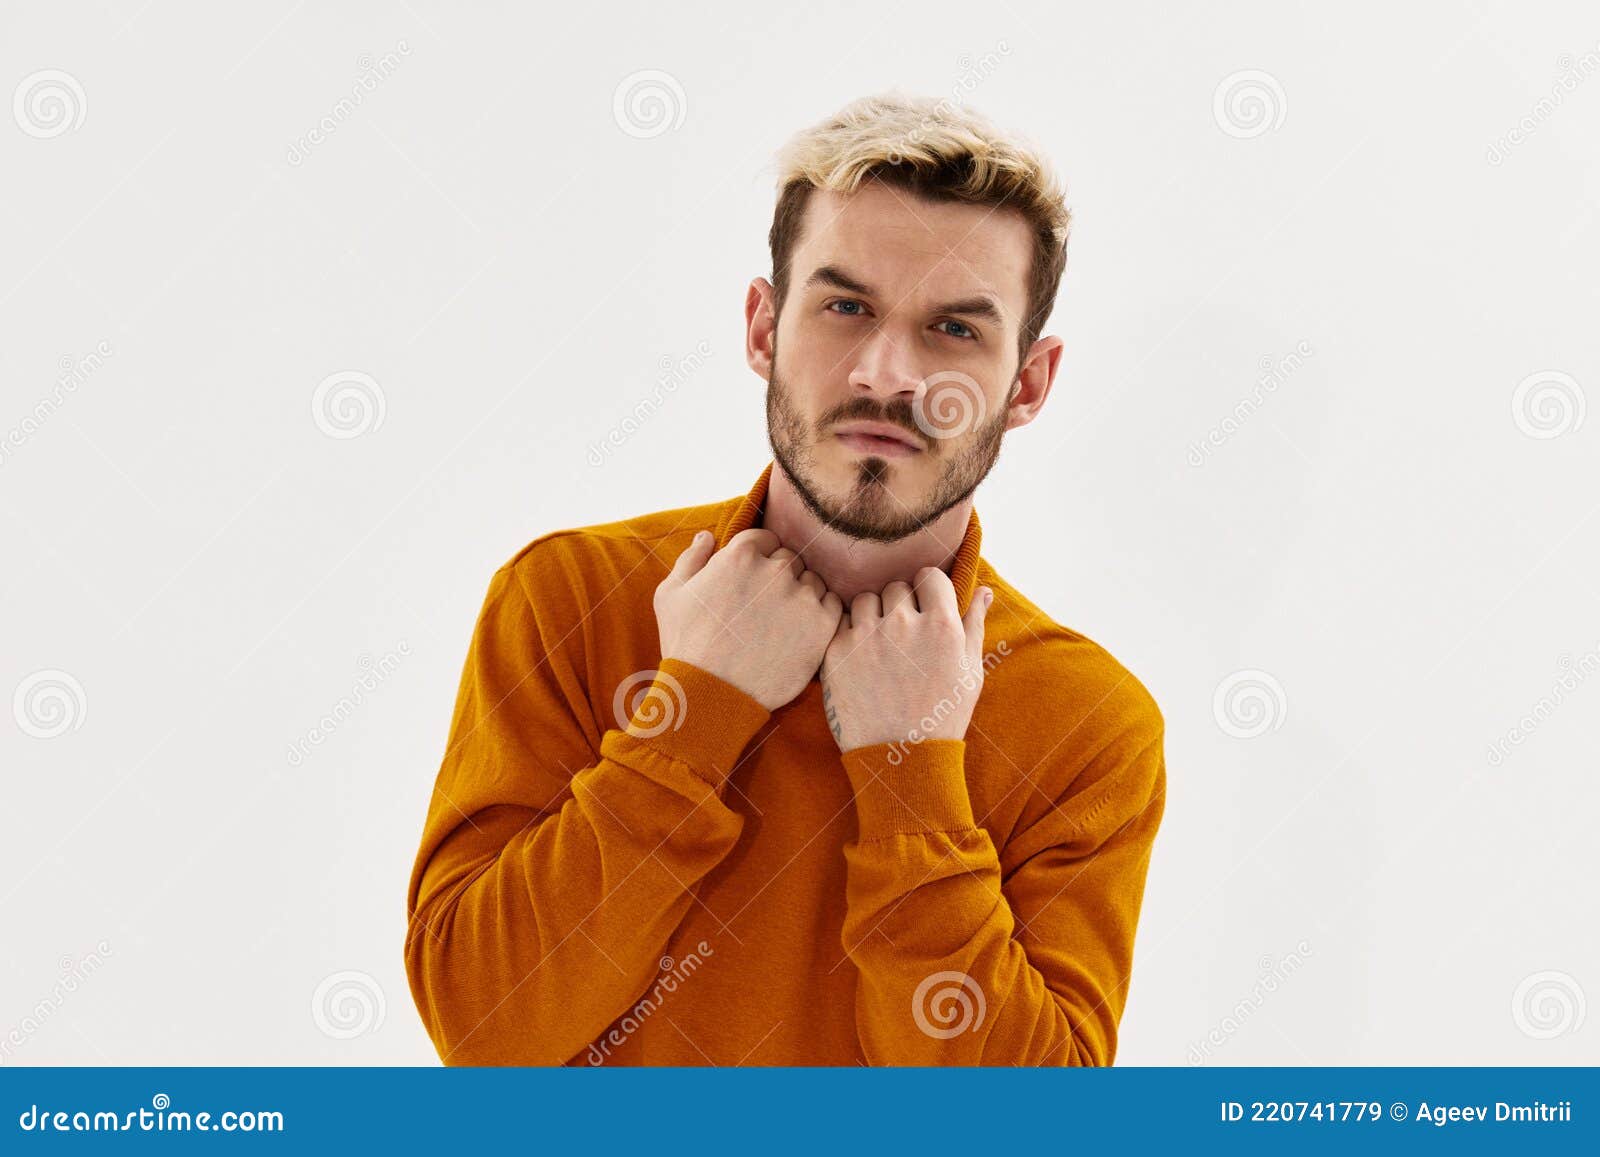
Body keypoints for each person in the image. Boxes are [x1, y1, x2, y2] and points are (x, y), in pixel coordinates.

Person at [404, 92, 1166, 1066]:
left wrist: (914, 775)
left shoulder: (1085, 720)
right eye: (845, 306)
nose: (887, 372)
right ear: (763, 328)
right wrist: (694, 712)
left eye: (955, 329)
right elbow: (484, 1031)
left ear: (1027, 382)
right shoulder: (569, 598)